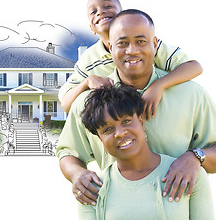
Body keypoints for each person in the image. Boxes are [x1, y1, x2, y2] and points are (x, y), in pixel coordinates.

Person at [56, 9, 216, 207]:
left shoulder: (192, 94)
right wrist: (77, 174)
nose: (131, 50)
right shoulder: (89, 102)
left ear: (155, 44)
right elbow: (68, 152)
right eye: (122, 43)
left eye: (141, 41)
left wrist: (195, 157)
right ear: (110, 46)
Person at [59, 0, 203, 122]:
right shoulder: (88, 60)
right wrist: (87, 82)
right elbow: (66, 104)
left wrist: (158, 86)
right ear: (91, 27)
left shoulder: (147, 45)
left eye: (108, 6)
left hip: (160, 113)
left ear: (123, 14)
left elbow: (194, 67)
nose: (101, 12)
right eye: (93, 11)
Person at [77, 84, 214, 219]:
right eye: (107, 129)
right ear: (100, 139)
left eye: (126, 121)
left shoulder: (188, 174)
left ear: (141, 122)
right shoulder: (91, 189)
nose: (119, 133)